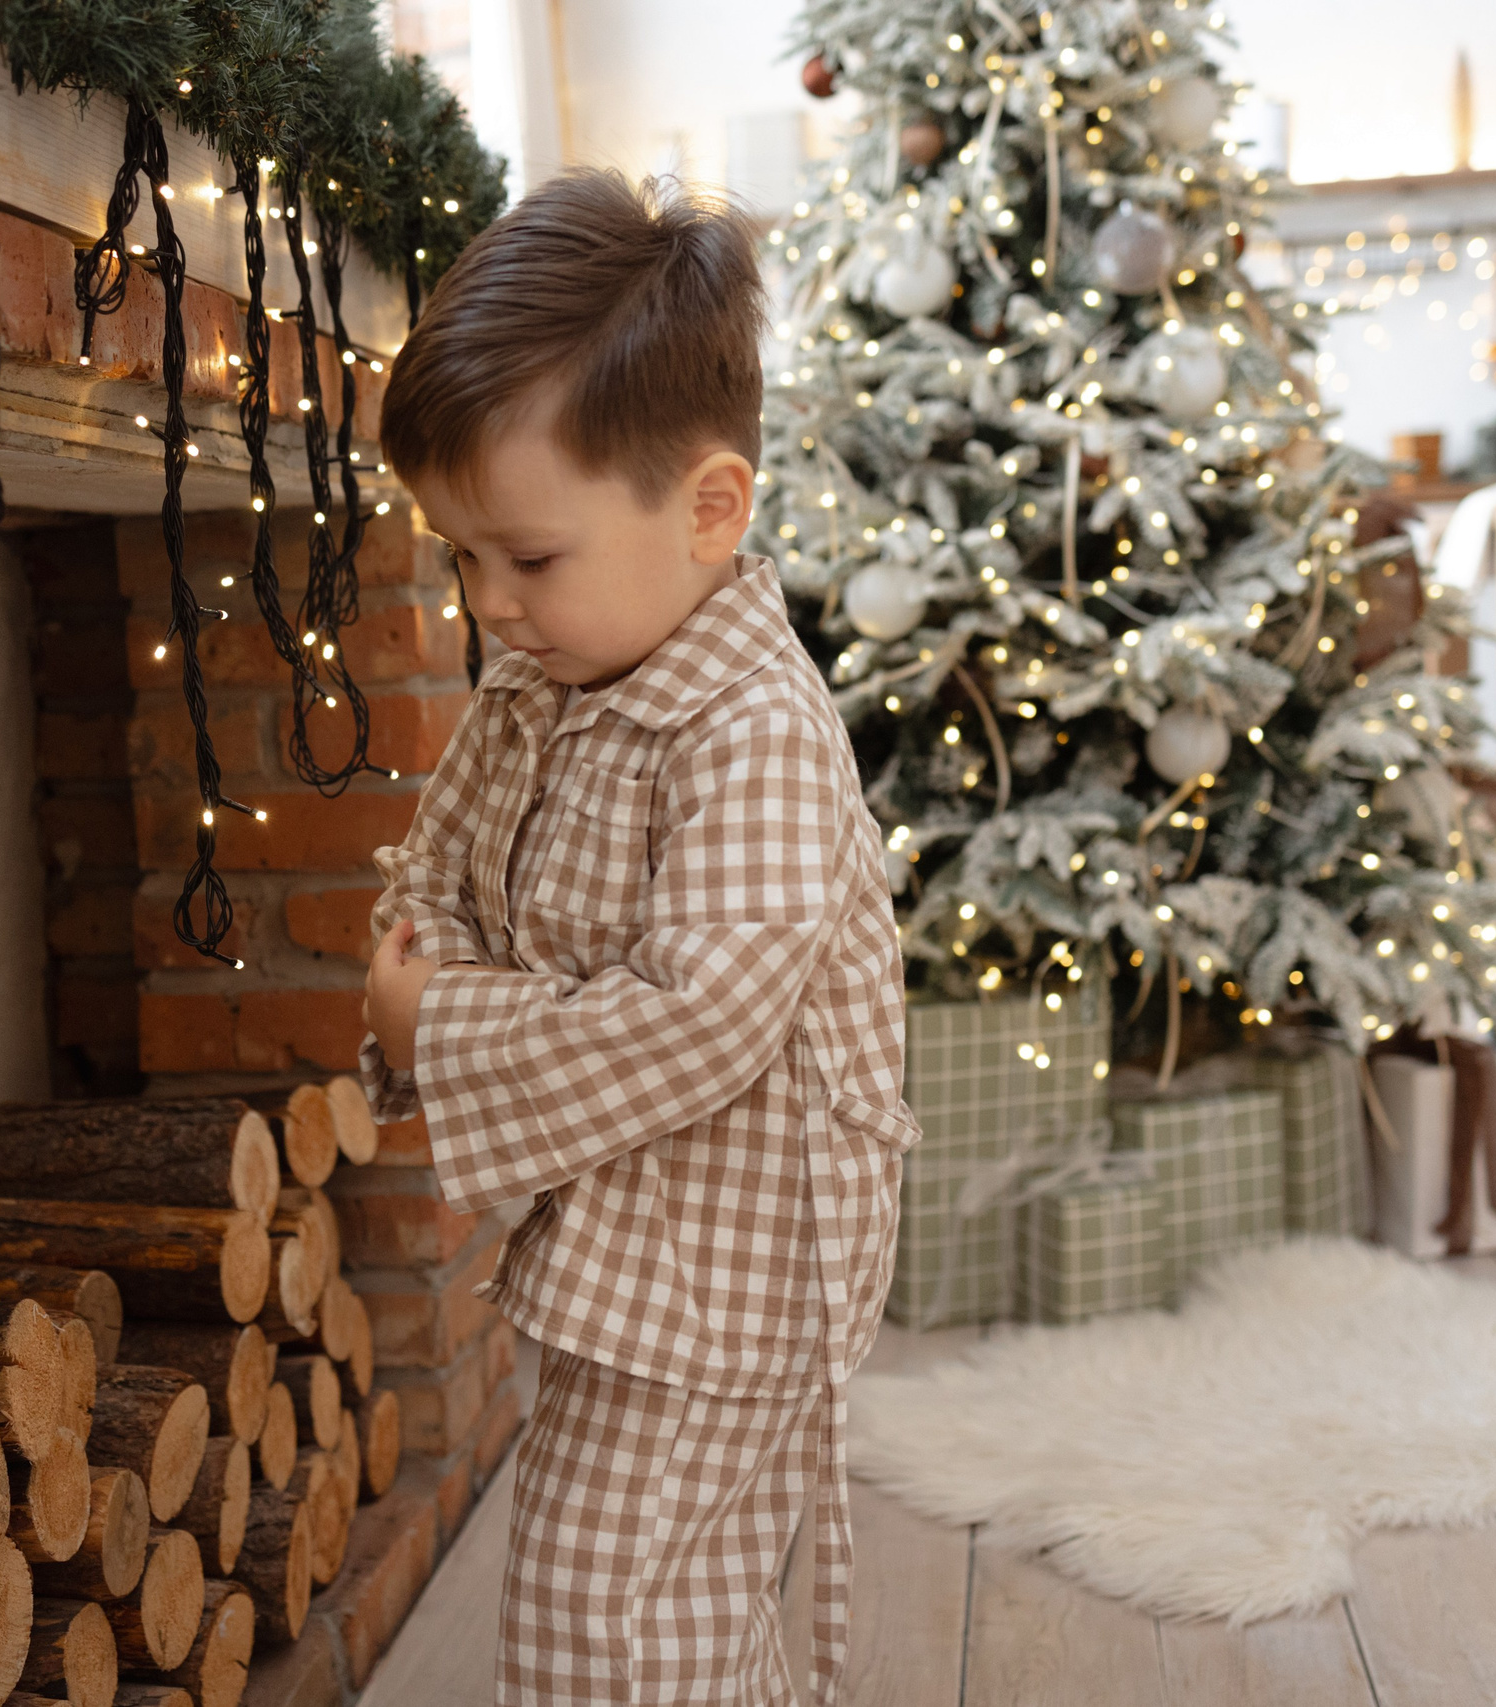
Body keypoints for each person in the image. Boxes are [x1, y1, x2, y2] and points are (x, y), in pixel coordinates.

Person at [356, 168, 923, 1706]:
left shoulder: (753, 732)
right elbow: (454, 862)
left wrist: (437, 1024)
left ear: (710, 509)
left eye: (527, 559)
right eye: (460, 560)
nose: (490, 607)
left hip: (742, 1256)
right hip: (636, 1236)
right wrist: (422, 948)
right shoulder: (555, 680)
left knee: (608, 1619)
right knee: (647, 1594)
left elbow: (700, 1019)